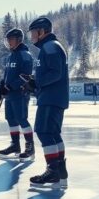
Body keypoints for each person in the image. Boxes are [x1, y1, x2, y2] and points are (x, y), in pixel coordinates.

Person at [20, 17, 69, 189]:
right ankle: (60, 171)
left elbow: (56, 73)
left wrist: (37, 83)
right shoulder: (50, 47)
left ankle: (53, 171)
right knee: (53, 133)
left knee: (43, 131)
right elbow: (51, 73)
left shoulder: (50, 47)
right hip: (53, 97)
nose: (32, 36)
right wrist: (34, 81)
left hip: (51, 98)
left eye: (34, 32)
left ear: (42, 31)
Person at [0, 28, 35, 161]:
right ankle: (15, 145)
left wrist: (10, 86)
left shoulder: (25, 54)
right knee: (11, 119)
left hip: (20, 93)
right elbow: (7, 75)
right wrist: (1, 86)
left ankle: (30, 147)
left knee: (22, 119)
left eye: (10, 39)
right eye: (7, 40)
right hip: (10, 95)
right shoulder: (10, 56)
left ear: (18, 39)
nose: (8, 42)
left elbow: (26, 76)